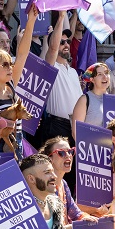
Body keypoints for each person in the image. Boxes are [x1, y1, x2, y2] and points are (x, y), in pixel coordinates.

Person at [41, 12, 82, 147]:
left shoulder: (73, 72)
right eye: (61, 42)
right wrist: (61, 17)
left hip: (76, 127)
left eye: (68, 41)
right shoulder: (50, 67)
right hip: (57, 127)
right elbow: (52, 49)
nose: (66, 44)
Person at [40, 137, 103, 221]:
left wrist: (95, 219)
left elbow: (76, 213)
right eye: (61, 153)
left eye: (70, 151)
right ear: (50, 159)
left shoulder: (63, 183)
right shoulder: (45, 187)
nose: (68, 156)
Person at [72, 62, 110, 133]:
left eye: (106, 73)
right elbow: (76, 132)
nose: (105, 77)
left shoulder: (114, 100)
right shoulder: (84, 100)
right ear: (92, 79)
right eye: (100, 74)